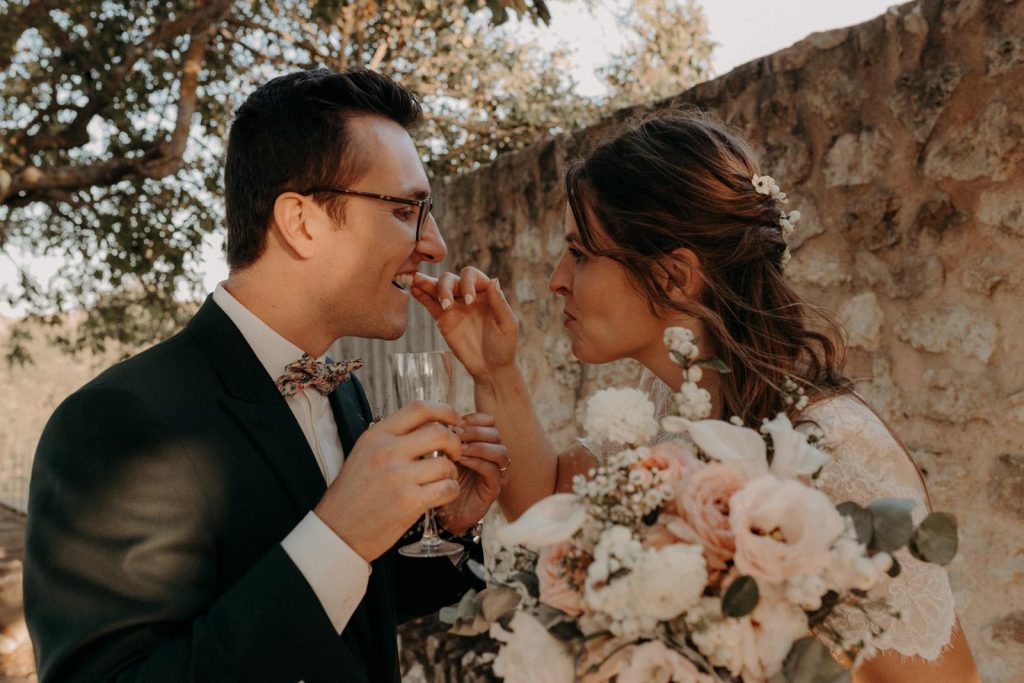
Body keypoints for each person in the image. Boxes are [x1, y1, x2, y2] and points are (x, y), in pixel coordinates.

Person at [411, 109, 980, 681]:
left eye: (580, 254)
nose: (557, 278)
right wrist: (492, 368)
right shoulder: (672, 402)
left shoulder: (837, 451)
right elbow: (550, 503)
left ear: (674, 276)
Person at [24, 68, 510, 682]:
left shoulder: (345, 392)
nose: (434, 244)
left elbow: (347, 611)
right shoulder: (116, 422)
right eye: (406, 210)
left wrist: (450, 529)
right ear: (301, 222)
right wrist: (340, 535)